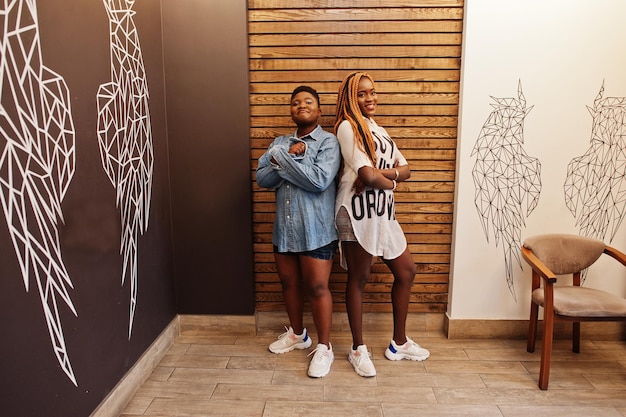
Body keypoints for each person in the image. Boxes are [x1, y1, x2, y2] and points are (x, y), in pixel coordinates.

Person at [333, 72, 430, 377]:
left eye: (372, 92)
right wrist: (384, 177)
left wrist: (382, 176)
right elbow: (366, 176)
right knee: (359, 279)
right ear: (351, 97)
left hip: (384, 214)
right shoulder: (347, 127)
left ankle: (398, 343)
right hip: (356, 211)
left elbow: (407, 169)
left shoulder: (380, 130)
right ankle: (358, 349)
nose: (369, 98)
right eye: (361, 94)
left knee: (406, 271)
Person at [256, 85, 341, 378]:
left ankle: (325, 347)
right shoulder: (281, 141)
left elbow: (319, 180)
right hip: (285, 231)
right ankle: (297, 334)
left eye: (307, 102)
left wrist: (281, 159)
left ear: (318, 110)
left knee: (317, 288)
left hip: (316, 231)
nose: (300, 106)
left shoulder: (328, 143)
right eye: (295, 102)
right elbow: (262, 178)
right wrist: (286, 155)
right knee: (289, 285)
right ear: (291, 110)